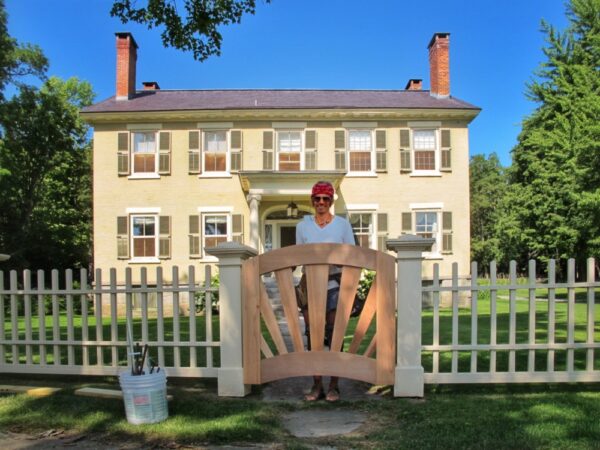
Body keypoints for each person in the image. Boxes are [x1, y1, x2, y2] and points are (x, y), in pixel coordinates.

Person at [295, 181, 355, 402]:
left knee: (334, 333)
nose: (321, 202)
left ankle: (334, 386)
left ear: (331, 201)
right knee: (313, 334)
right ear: (312, 201)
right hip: (309, 283)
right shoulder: (303, 226)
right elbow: (299, 255)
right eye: (317, 198)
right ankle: (317, 384)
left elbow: (352, 254)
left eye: (325, 198)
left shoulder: (342, 225)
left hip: (334, 283)